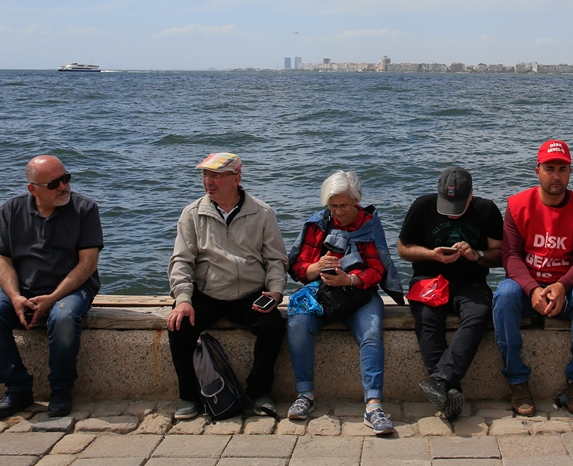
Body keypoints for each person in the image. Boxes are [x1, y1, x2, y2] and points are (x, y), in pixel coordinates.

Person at [0, 155, 103, 420]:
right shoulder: (10, 210)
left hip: (70, 290)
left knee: (64, 317)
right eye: (54, 183)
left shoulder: (85, 209)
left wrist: (53, 297)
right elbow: (3, 259)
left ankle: (61, 389)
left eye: (66, 179)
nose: (63, 187)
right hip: (22, 289)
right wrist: (14, 296)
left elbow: (87, 264)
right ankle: (18, 387)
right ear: (32, 189)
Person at [166, 153, 288, 421]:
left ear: (237, 178)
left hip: (249, 294)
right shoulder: (192, 213)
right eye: (206, 176)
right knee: (179, 325)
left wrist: (275, 292)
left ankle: (259, 392)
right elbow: (181, 261)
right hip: (206, 293)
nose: (209, 182)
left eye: (218, 176)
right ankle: (188, 396)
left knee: (274, 326)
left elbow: (276, 260)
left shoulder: (262, 213)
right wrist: (184, 298)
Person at [285, 170, 404, 435]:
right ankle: (305, 394)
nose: (338, 211)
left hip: (360, 295)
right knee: (296, 324)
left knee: (372, 333)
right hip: (322, 295)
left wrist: (349, 279)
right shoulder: (317, 224)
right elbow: (298, 268)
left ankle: (373, 404)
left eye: (344, 205)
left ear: (356, 201)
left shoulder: (369, 223)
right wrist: (317, 267)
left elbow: (377, 269)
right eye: (333, 205)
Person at [493, 139, 573, 417]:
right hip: (529, 289)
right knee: (503, 294)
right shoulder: (517, 206)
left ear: (570, 172)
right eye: (550, 168)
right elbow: (510, 256)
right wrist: (531, 289)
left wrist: (562, 286)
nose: (556, 175)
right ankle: (517, 380)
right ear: (537, 170)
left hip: (566, 290)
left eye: (563, 169)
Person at [398, 167, 503, 421]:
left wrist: (475, 255)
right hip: (429, 278)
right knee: (427, 317)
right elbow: (403, 248)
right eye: (447, 206)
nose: (452, 215)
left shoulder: (487, 209)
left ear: (471, 196)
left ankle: (440, 381)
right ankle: (449, 388)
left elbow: (500, 255)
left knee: (479, 313)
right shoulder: (423, 206)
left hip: (470, 281)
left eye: (458, 207)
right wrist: (431, 254)